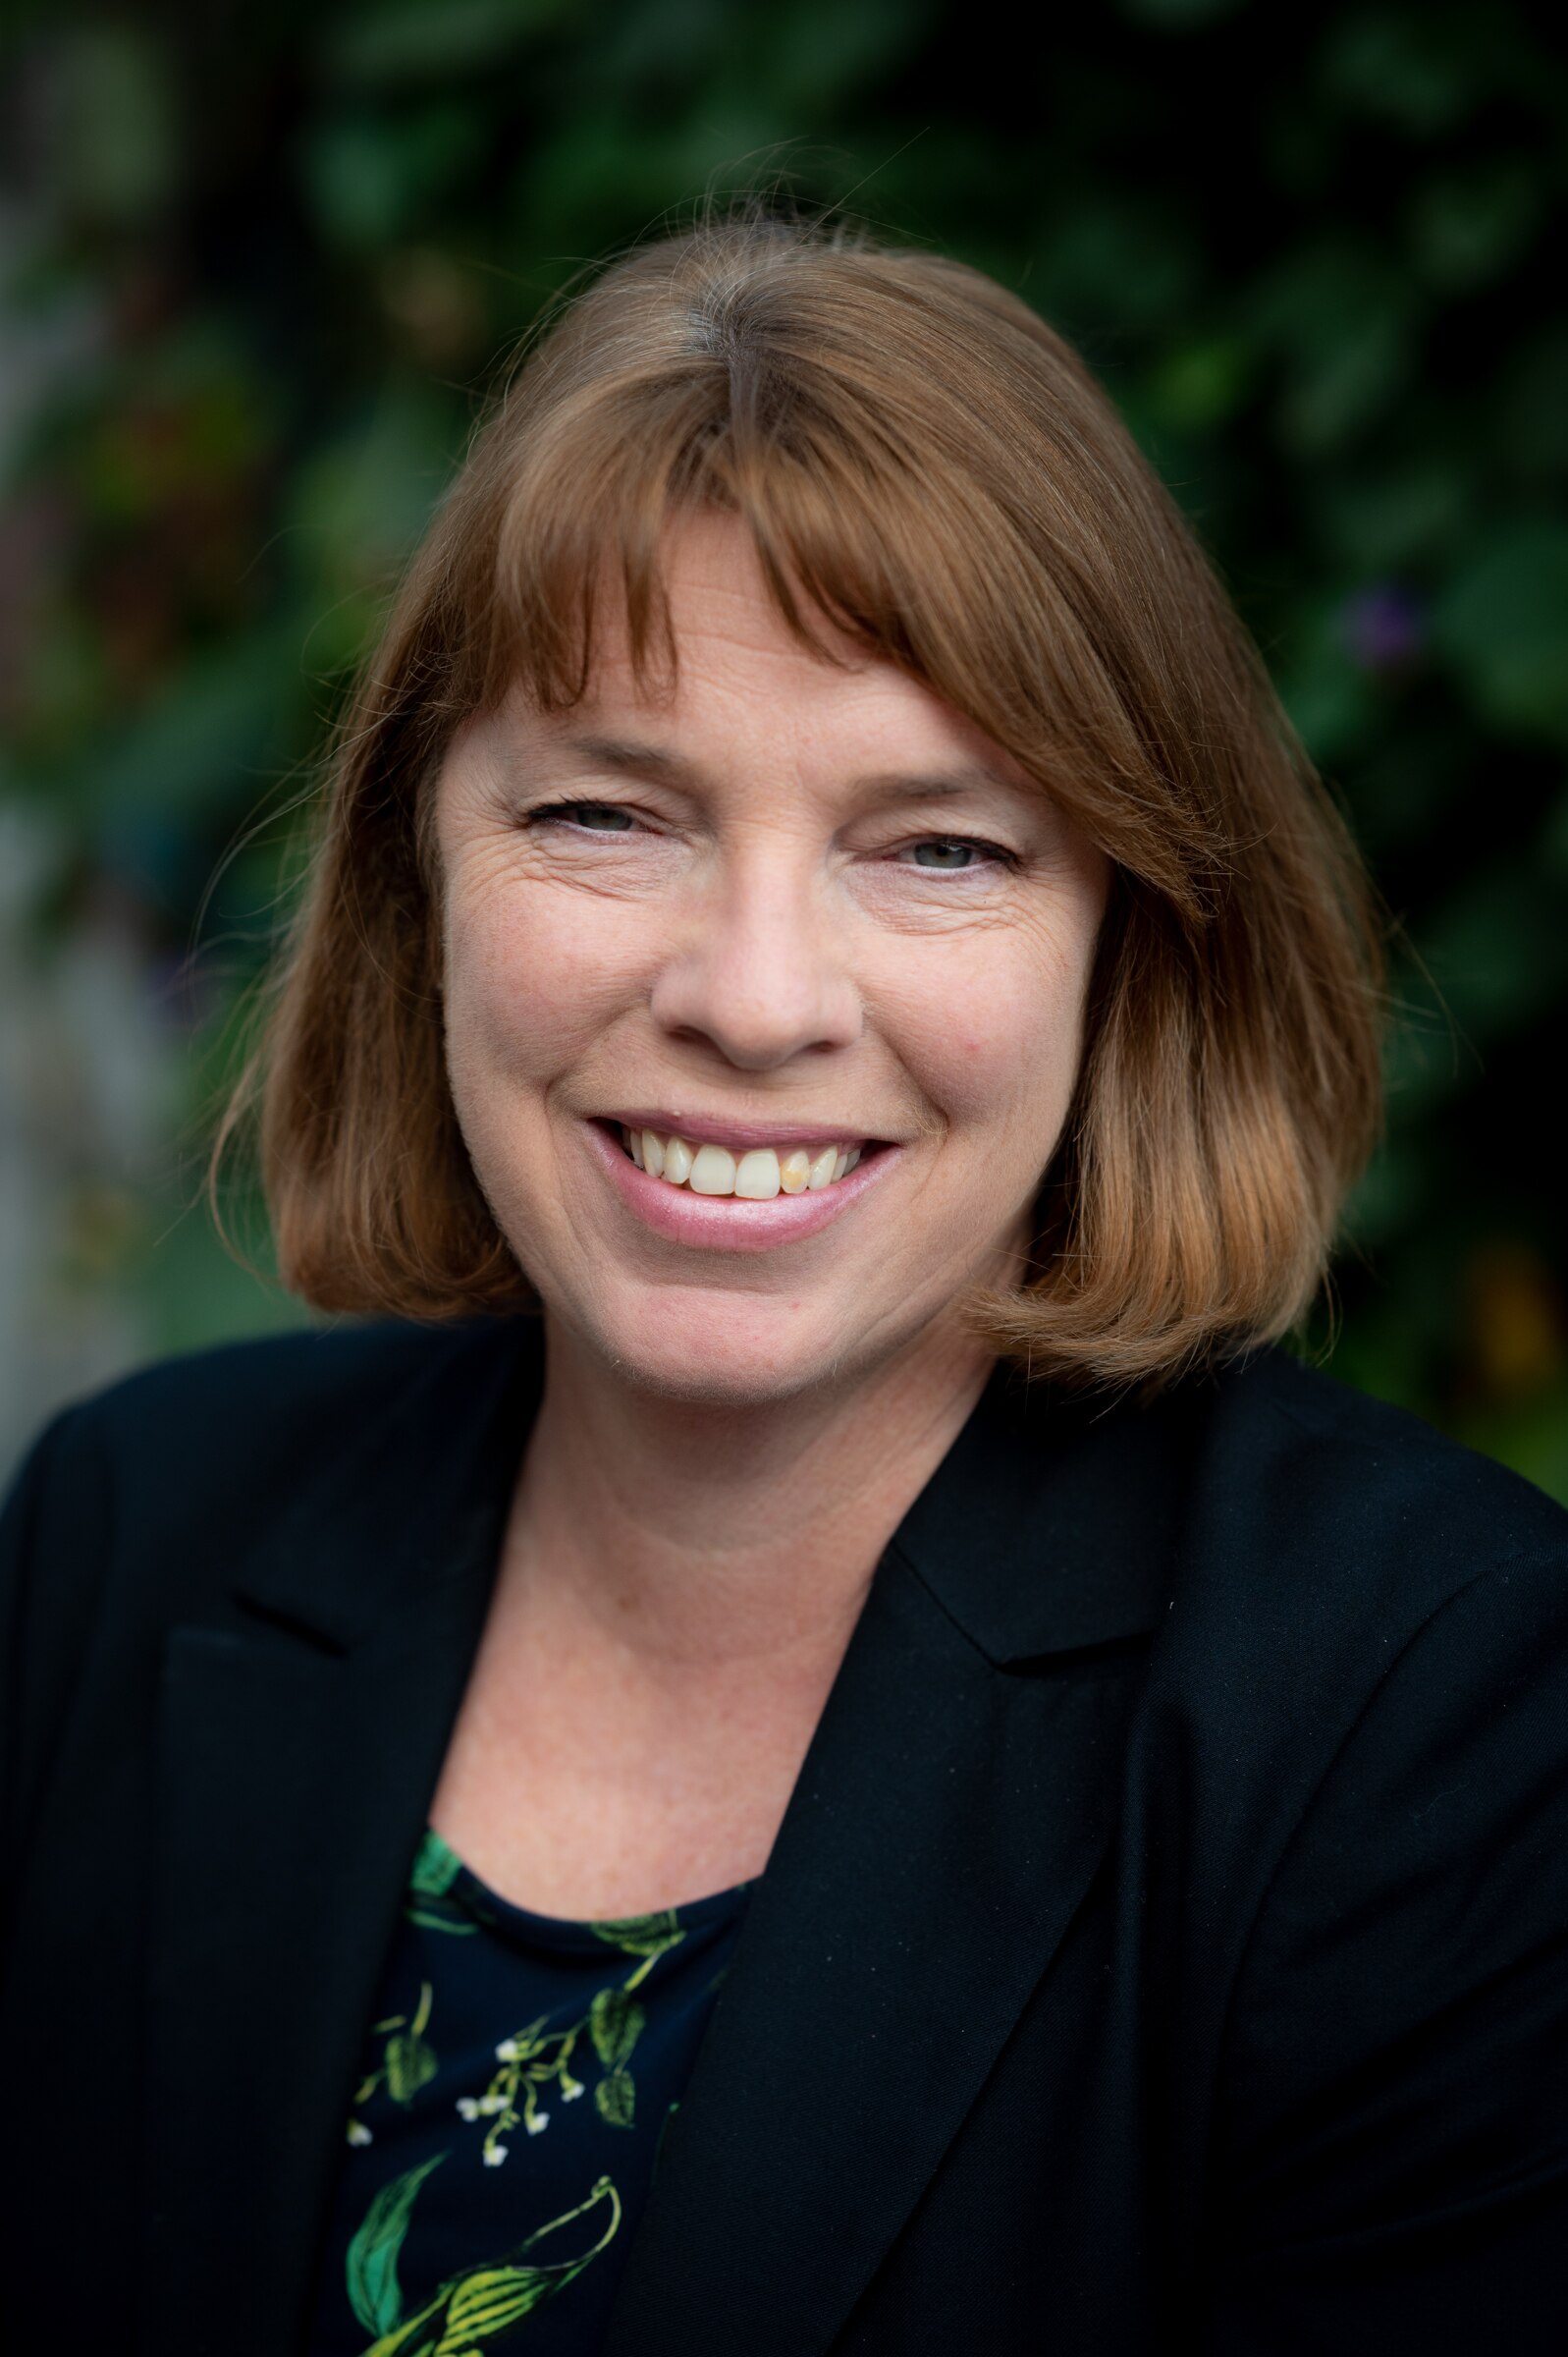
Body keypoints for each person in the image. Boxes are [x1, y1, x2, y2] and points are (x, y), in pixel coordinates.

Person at [2, 211, 1565, 2357]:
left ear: (1130, 944)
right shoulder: (124, 1540)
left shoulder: (1435, 1720)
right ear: (414, 879)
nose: (751, 1000)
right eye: (605, 816)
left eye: (938, 847)